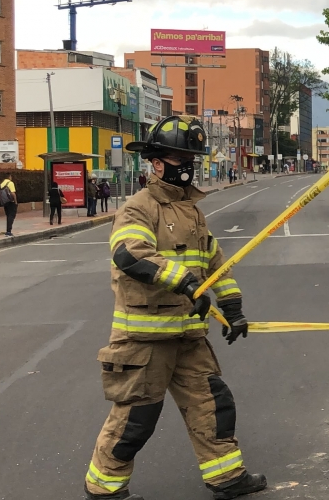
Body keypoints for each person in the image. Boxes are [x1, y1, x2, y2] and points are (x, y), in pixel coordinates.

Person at [83, 115, 265, 500]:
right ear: (157, 162)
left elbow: (215, 262)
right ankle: (104, 489)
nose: (188, 165)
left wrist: (232, 308)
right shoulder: (138, 208)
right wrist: (183, 281)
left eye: (191, 157)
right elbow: (130, 253)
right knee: (136, 420)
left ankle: (226, 478)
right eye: (180, 156)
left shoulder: (192, 211)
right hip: (145, 339)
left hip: (188, 336)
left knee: (213, 404)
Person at [0, 173, 18, 237]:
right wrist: (15, 201)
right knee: (11, 216)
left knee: (8, 215)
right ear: (9, 177)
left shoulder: (2, 184)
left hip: (5, 202)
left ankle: (8, 230)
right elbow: (13, 193)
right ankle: (8, 231)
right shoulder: (10, 183)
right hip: (11, 201)